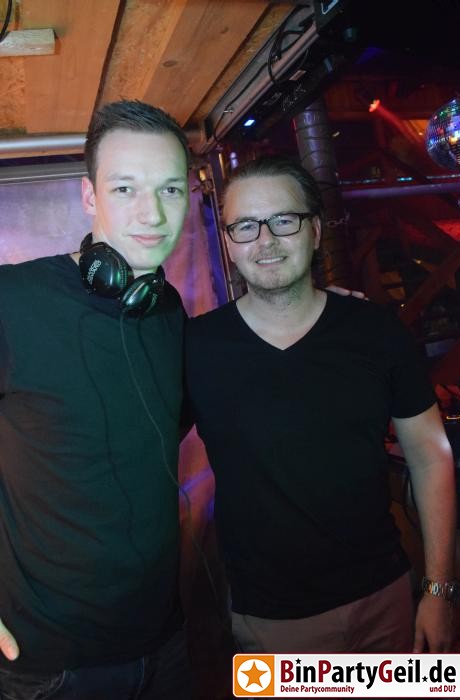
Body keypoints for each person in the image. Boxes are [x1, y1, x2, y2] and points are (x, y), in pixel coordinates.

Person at [184, 155, 459, 654]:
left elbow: (429, 455)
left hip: (385, 599)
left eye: (283, 220)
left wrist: (439, 591)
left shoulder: (376, 332)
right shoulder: (194, 349)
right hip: (270, 622)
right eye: (245, 225)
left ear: (314, 231)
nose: (265, 240)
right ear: (228, 242)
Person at [0, 100, 192, 699]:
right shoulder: (13, 300)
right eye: (125, 188)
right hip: (50, 665)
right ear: (89, 195)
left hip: (165, 640)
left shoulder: (167, 310)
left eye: (170, 189)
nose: (152, 214)